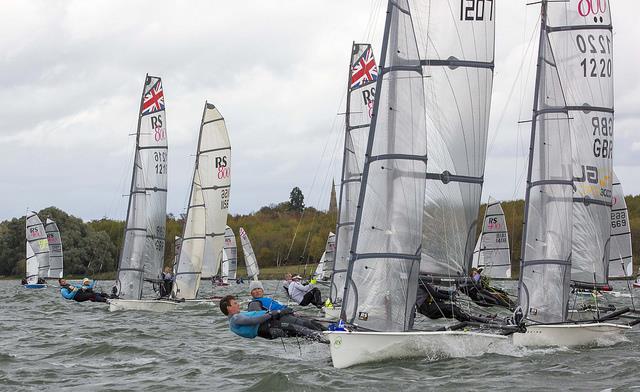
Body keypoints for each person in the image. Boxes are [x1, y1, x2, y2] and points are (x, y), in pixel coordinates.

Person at [219, 295, 327, 342]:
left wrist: (277, 312)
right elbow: (254, 321)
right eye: (235, 303)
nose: (238, 304)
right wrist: (274, 313)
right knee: (299, 329)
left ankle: (326, 336)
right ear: (229, 308)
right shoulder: (235, 319)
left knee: (302, 329)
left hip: (269, 327)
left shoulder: (238, 316)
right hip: (268, 328)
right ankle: (327, 339)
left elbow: (255, 316)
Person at [246, 281, 325, 332]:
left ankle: (330, 332)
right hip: (281, 318)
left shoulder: (267, 299)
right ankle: (328, 339)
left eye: (259, 289)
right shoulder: (254, 303)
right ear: (251, 293)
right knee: (308, 325)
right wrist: (280, 312)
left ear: (262, 290)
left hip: (289, 314)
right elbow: (259, 317)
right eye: (254, 289)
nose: (257, 291)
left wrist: (292, 311)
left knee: (315, 323)